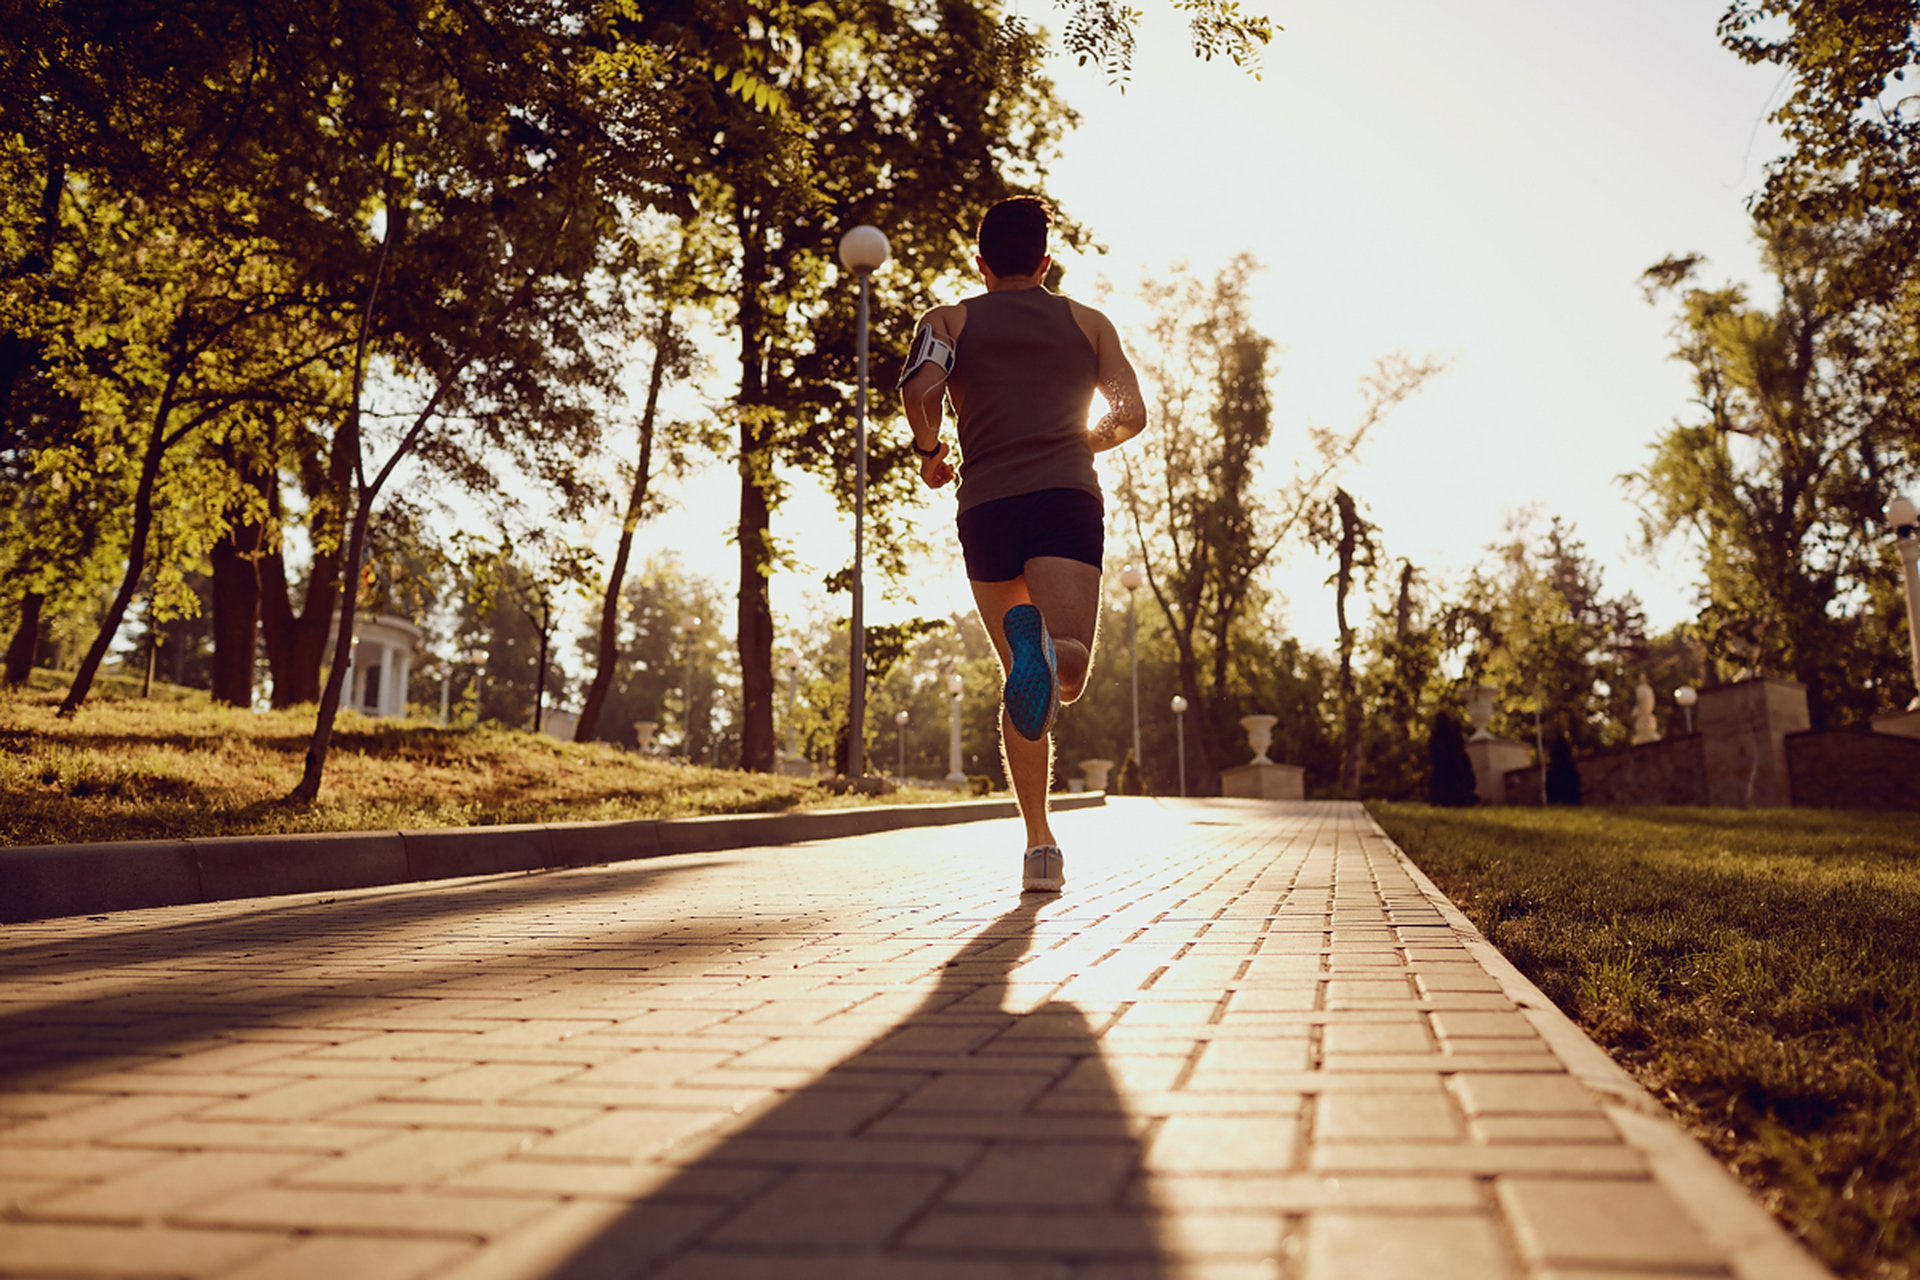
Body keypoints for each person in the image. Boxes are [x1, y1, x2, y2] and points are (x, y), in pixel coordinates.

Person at [898, 195, 1147, 893]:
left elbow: (920, 389)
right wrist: (1077, 438)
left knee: (1020, 681)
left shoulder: (948, 319)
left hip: (985, 507)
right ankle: (1050, 650)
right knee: (1064, 674)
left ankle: (1040, 845)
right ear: (1044, 261)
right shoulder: (1089, 323)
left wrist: (929, 451)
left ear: (980, 263)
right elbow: (1131, 415)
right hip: (1065, 497)